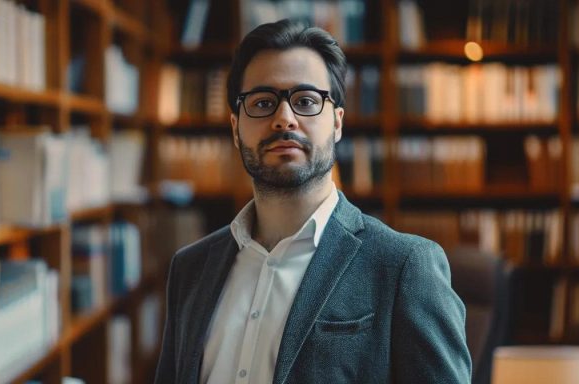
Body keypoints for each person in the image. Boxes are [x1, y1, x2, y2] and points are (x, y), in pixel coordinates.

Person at [154, 19, 471, 384]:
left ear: (337, 123)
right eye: (262, 103)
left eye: (306, 101)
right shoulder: (190, 269)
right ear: (235, 128)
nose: (284, 119)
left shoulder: (404, 267)